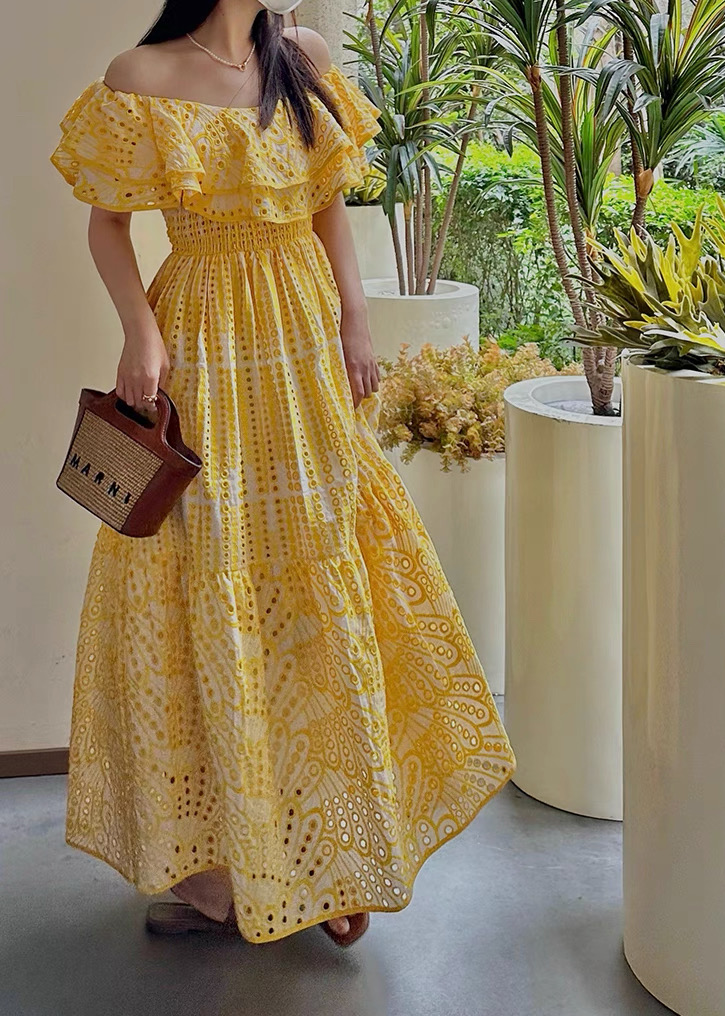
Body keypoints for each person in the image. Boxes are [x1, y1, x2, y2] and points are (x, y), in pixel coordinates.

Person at [49, 0, 516, 949]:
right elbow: (108, 227)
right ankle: (223, 868)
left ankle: (329, 846)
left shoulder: (301, 55)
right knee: (208, 578)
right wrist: (140, 333)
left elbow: (328, 206)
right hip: (202, 346)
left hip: (299, 340)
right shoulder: (142, 75)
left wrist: (356, 320)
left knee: (316, 571)